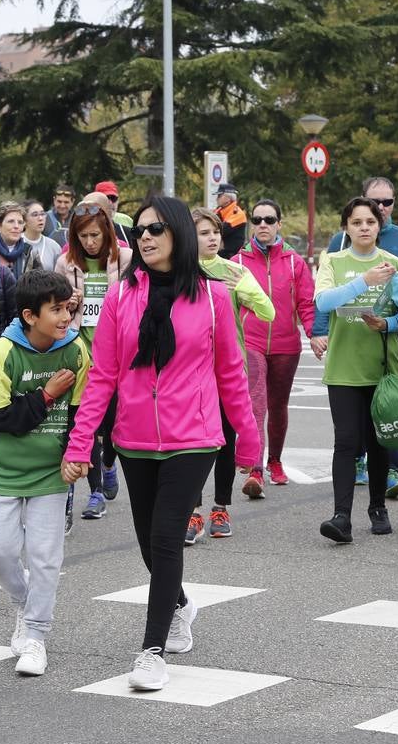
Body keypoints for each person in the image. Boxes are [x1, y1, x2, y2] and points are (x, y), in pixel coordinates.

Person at [63, 195, 258, 692]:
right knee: (152, 543)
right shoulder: (121, 296)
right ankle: (180, 603)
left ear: (179, 236)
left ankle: (150, 651)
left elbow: (231, 373)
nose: (145, 238)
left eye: (156, 230)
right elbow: (104, 375)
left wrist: (249, 443)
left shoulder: (213, 298)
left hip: (194, 436)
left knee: (168, 536)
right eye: (141, 231)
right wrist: (80, 442)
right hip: (134, 437)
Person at [0, 270, 90, 676]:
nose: (65, 317)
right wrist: (45, 395)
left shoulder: (76, 350)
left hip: (50, 473)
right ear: (29, 315)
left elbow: (83, 412)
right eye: (56, 310)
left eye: (67, 308)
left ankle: (36, 636)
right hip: (1, 470)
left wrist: (77, 453)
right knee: (0, 553)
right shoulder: (4, 353)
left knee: (45, 558)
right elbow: (0, 416)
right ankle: (25, 604)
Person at [315, 197, 398, 544]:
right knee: (345, 442)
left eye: (369, 222)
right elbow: (324, 302)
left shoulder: (395, 264)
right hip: (343, 367)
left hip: (380, 369)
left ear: (379, 226)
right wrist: (364, 280)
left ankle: (377, 507)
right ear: (346, 226)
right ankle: (341, 516)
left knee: (377, 442)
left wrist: (386, 322)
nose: (363, 228)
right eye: (356, 222)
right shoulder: (332, 261)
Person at [188, 207, 274, 540]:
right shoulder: (179, 270)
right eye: (204, 233)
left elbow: (268, 311)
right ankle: (192, 513)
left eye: (215, 233)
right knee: (192, 443)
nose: (212, 239)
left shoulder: (232, 269)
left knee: (224, 440)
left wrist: (245, 288)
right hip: (189, 371)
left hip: (228, 367)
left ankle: (220, 508)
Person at [229, 198, 318, 488]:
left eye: (269, 220)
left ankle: (275, 461)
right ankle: (255, 469)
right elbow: (224, 304)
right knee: (256, 404)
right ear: (251, 225)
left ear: (279, 224)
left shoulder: (294, 262)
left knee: (278, 406)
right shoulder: (237, 263)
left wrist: (313, 333)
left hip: (286, 346)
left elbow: (306, 302)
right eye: (257, 220)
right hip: (251, 343)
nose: (263, 225)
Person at [55, 200, 131, 526]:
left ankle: (110, 465)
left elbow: (136, 303)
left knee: (113, 426)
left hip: (116, 353)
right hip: (80, 353)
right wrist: (68, 303)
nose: (90, 242)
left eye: (96, 235)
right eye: (83, 236)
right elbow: (55, 310)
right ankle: (95, 492)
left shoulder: (125, 260)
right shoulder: (65, 264)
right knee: (86, 423)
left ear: (107, 233)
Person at [0, 201, 43, 280]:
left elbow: (40, 284)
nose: (16, 226)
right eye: (11, 221)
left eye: (20, 222)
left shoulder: (30, 253)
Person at [23, 200, 62, 271]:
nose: (40, 218)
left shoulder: (54, 246)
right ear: (24, 220)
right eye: (35, 215)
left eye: (42, 214)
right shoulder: (16, 243)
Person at [214, 183, 247, 258]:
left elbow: (221, 230)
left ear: (228, 198)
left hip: (232, 257)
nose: (217, 198)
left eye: (219, 196)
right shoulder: (219, 211)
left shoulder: (238, 214)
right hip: (219, 254)